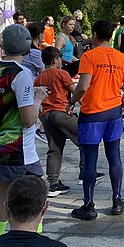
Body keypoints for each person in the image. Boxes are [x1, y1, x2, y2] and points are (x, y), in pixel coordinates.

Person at [0, 24, 48, 242]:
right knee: (35, 211)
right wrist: (38, 98)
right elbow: (29, 121)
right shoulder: (22, 75)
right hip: (21, 152)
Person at [67, 20, 124, 221]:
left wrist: (71, 102)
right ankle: (117, 200)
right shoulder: (122, 58)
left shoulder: (89, 56)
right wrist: (122, 106)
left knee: (90, 161)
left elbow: (83, 86)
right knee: (114, 156)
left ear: (95, 35)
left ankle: (88, 206)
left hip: (91, 115)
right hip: (113, 114)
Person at [35, 47, 85, 197]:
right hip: (60, 112)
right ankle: (86, 173)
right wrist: (85, 106)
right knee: (86, 140)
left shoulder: (39, 78)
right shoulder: (62, 73)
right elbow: (75, 91)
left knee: (54, 149)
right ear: (55, 60)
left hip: (46, 115)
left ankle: (54, 183)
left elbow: (35, 97)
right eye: (59, 59)